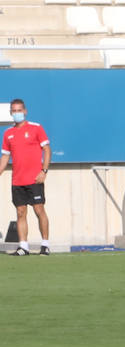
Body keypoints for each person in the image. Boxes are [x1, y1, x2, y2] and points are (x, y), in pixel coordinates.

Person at [2, 98, 52, 256]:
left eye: (19, 110)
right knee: (20, 212)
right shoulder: (8, 133)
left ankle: (45, 244)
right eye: (14, 111)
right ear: (11, 113)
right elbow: (4, 157)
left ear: (25, 111)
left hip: (35, 179)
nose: (17, 113)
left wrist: (43, 171)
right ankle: (23, 246)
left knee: (39, 209)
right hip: (17, 181)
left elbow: (47, 150)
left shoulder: (36, 128)